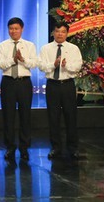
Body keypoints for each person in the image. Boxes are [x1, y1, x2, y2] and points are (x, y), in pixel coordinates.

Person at [0, 17, 38, 161]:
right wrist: (13, 60)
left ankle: (24, 148)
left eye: (16, 28)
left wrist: (22, 59)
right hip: (8, 82)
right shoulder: (2, 45)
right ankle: (10, 147)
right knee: (8, 116)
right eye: (11, 29)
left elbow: (34, 63)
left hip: (24, 82)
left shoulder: (29, 45)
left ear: (22, 29)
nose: (13, 31)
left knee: (25, 116)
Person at [38, 21, 83, 159]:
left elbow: (78, 66)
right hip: (52, 85)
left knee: (71, 117)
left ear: (67, 33)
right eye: (57, 31)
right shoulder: (46, 48)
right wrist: (54, 64)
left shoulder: (74, 48)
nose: (60, 34)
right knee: (53, 117)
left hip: (68, 85)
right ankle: (56, 147)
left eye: (63, 31)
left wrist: (66, 65)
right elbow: (41, 66)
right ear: (53, 32)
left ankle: (72, 148)